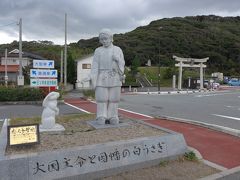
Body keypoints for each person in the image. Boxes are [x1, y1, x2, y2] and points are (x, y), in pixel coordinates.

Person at [82, 29, 125, 125]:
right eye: (102, 39)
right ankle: (101, 115)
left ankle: (113, 116)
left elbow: (122, 63)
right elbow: (95, 66)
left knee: (114, 99)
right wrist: (91, 76)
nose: (104, 41)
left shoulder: (117, 50)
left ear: (111, 38)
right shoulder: (98, 50)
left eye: (106, 39)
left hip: (114, 76)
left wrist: (118, 59)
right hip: (101, 76)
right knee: (102, 98)